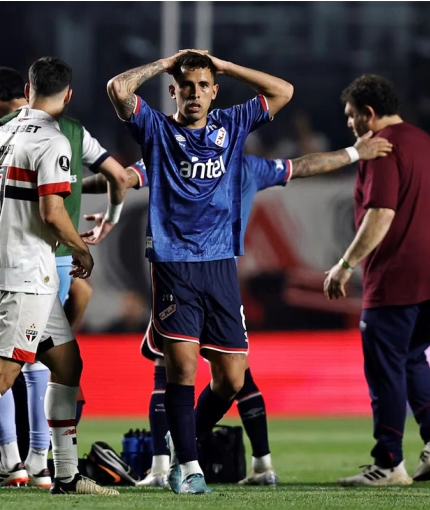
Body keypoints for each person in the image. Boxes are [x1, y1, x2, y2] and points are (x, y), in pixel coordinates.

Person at [83, 134, 392, 487]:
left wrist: (63, 183)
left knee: (189, 370)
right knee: (233, 374)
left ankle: (161, 465)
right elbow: (305, 165)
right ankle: (259, 463)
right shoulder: (246, 166)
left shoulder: (181, 162)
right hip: (216, 277)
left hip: (188, 275)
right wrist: (354, 152)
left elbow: (118, 175)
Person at [0, 57, 117, 497]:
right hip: (24, 275)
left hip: (23, 272)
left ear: (28, 90)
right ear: (67, 95)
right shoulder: (54, 141)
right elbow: (52, 212)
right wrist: (82, 248)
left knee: (68, 366)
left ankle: (65, 475)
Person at [107, 49, 293, 494]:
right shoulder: (156, 128)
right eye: (186, 86)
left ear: (214, 92)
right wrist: (165, 62)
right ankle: (188, 466)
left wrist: (225, 65)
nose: (194, 93)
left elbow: (283, 91)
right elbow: (118, 88)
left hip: (220, 265)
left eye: (203, 86)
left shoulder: (232, 124)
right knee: (183, 369)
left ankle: (181, 438)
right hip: (173, 265)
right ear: (174, 90)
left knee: (230, 378)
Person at [325, 75, 430, 486]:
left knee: (385, 367)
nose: (348, 124)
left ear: (369, 113)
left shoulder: (380, 148)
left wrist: (345, 264)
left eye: (351, 116)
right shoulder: (429, 144)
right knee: (411, 356)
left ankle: (388, 463)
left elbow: (380, 212)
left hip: (397, 275)